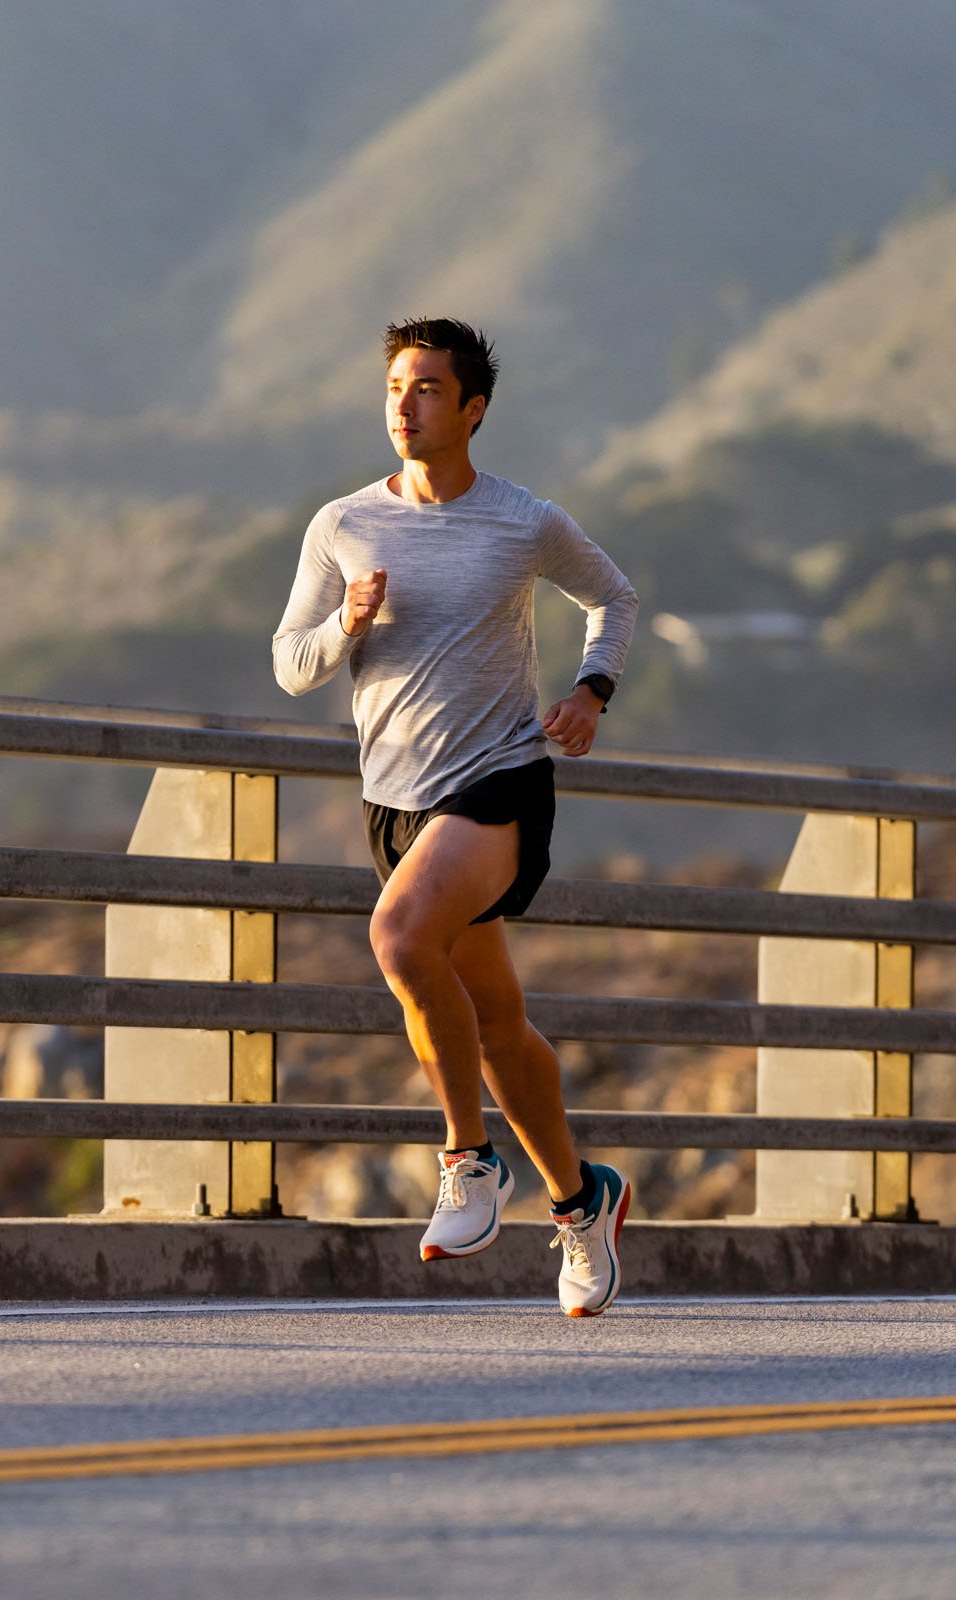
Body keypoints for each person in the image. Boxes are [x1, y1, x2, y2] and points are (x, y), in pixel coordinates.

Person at [271, 317, 640, 1315]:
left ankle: (469, 1160)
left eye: (429, 387)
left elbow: (614, 596)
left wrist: (591, 690)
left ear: (472, 409)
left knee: (397, 937)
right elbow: (290, 662)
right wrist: (344, 624)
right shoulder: (343, 524)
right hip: (393, 802)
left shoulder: (523, 521)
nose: (406, 403)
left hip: (499, 782)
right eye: (396, 384)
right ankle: (581, 1201)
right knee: (501, 1028)